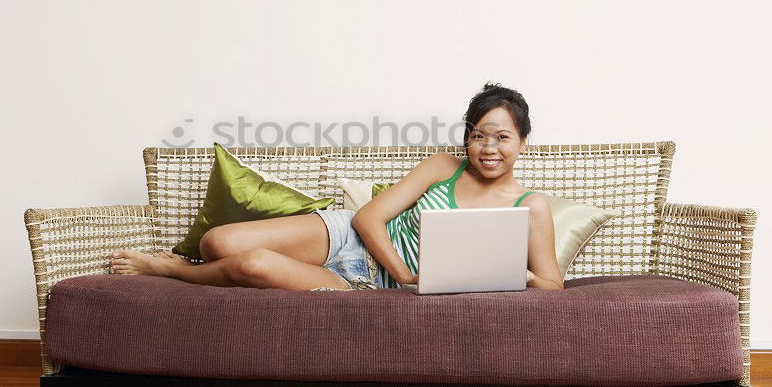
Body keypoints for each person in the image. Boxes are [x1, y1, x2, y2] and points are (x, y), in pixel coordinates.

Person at [109, 82, 564, 291]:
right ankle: (192, 261)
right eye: (479, 134)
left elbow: (552, 286)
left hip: (367, 285)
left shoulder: (531, 206)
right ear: (467, 136)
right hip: (348, 234)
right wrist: (406, 273)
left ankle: (173, 270)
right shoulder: (443, 165)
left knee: (252, 265)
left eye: (502, 137)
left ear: (522, 142)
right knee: (217, 240)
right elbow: (368, 217)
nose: (488, 148)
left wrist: (517, 275)